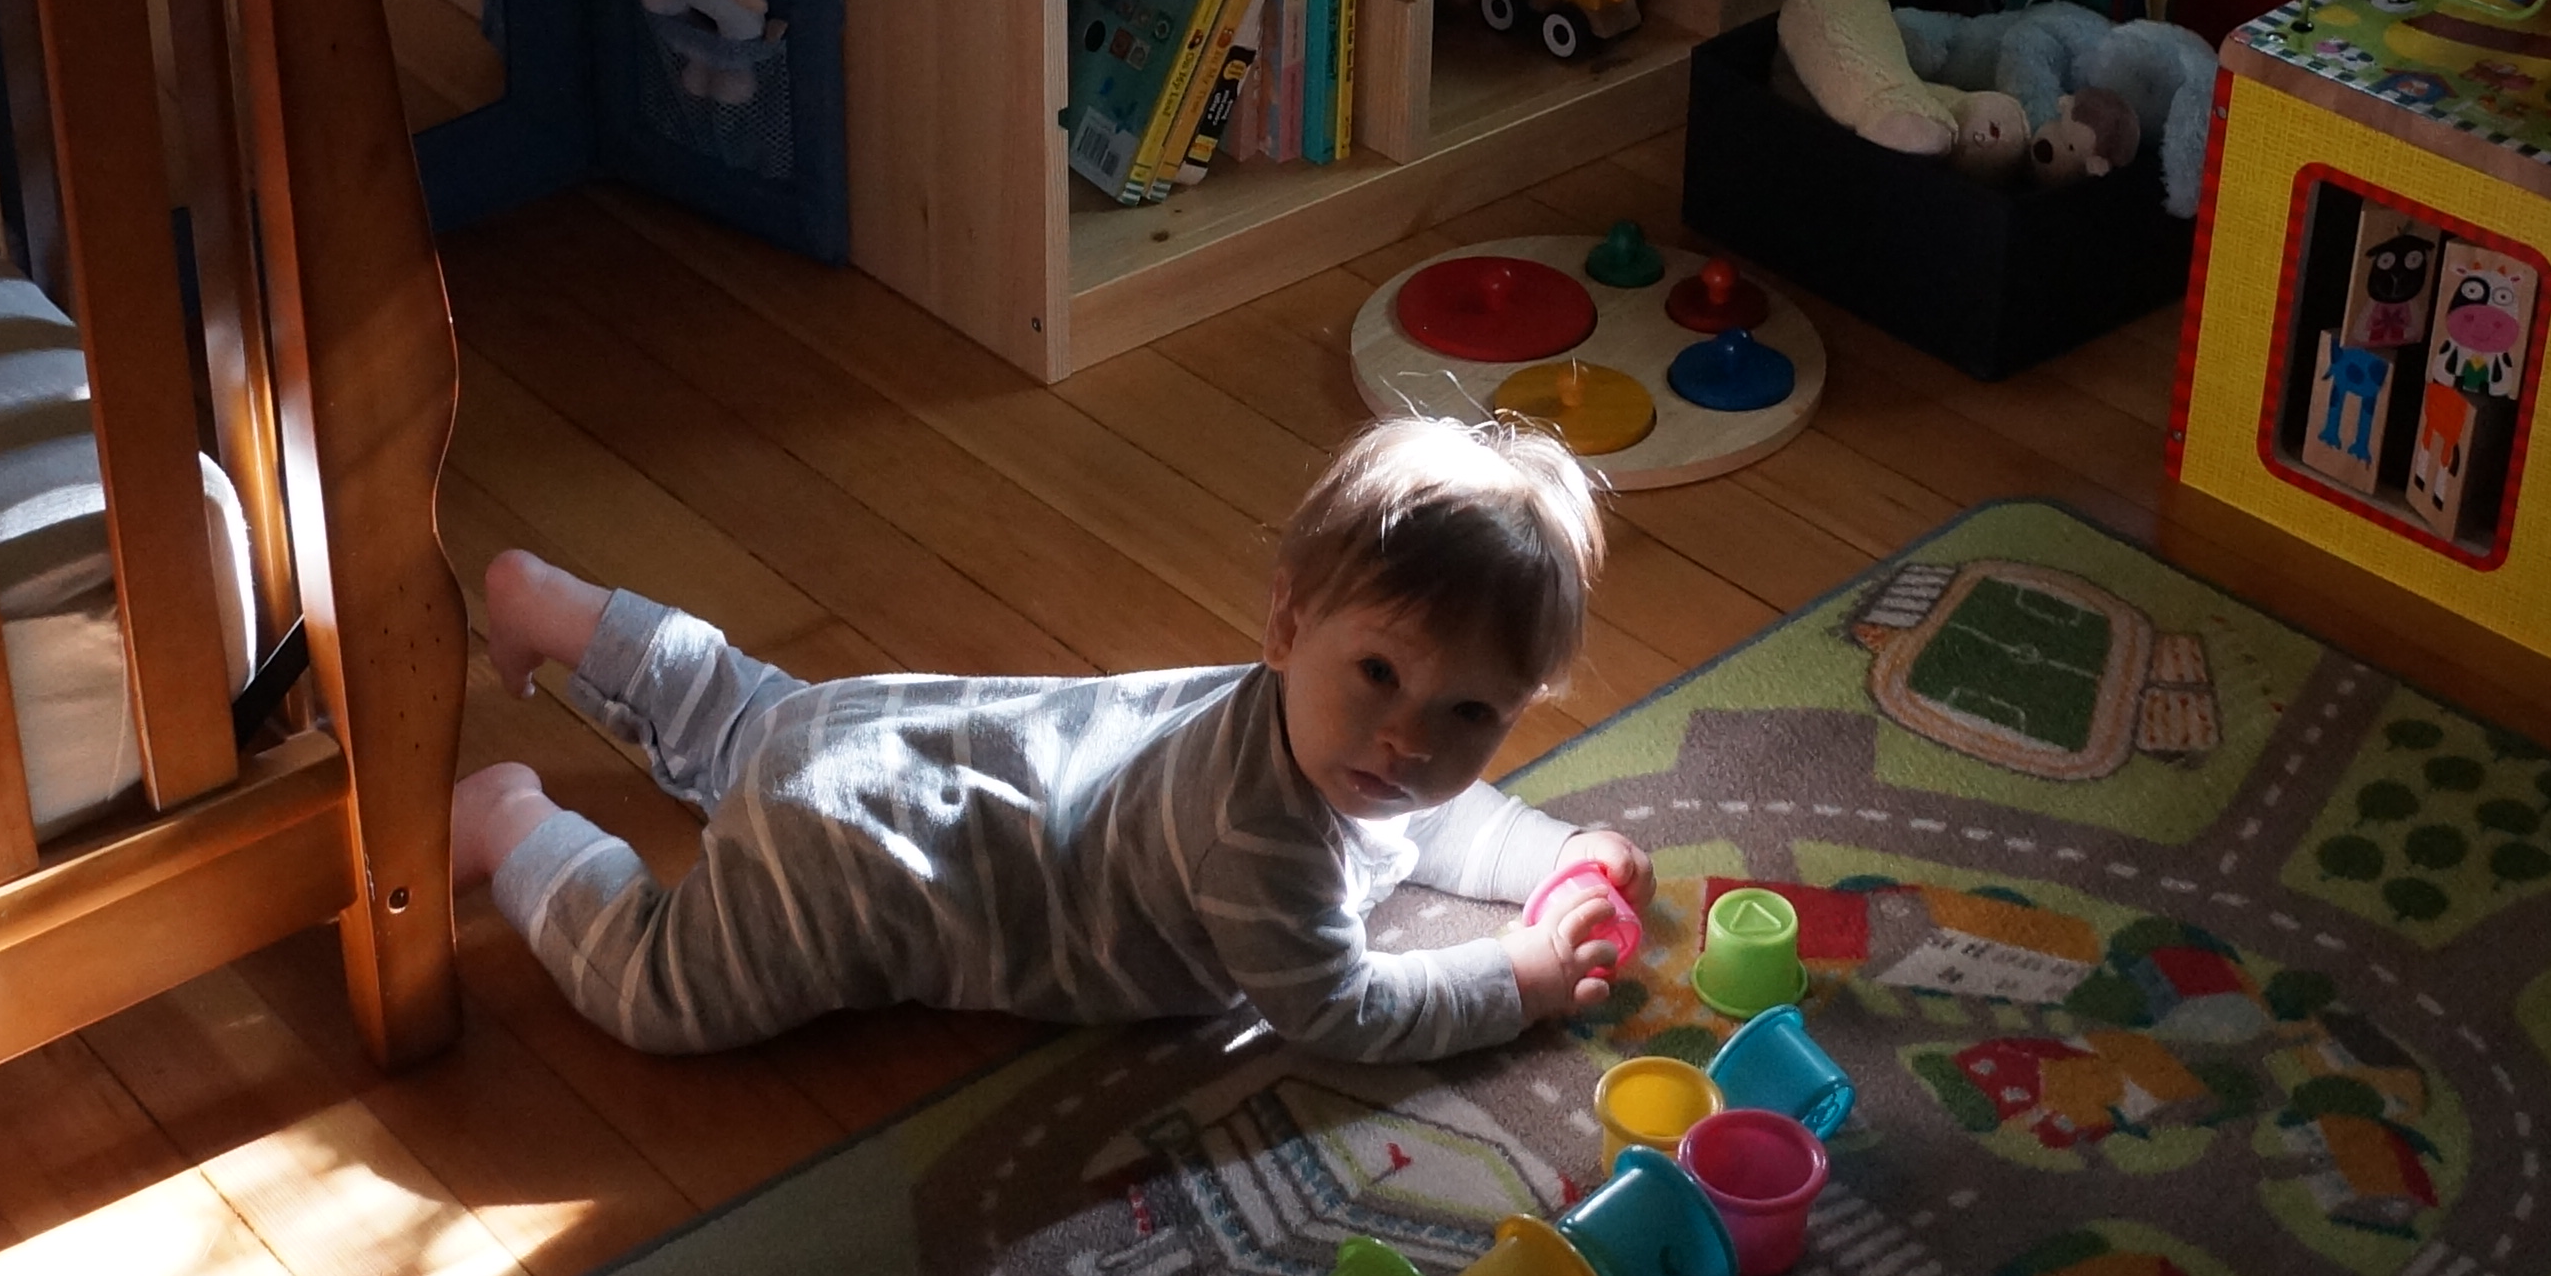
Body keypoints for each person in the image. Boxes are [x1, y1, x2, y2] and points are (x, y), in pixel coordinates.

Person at [448, 414, 1650, 1062]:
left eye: (1469, 714)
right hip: (873, 876)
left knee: (749, 718)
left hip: (890, 731)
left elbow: (1431, 816)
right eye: (1381, 676)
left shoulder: (1312, 722)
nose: (1407, 741)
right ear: (1288, 624)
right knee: (663, 989)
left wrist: (1547, 856)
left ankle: (560, 611)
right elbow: (1342, 1009)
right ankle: (513, 824)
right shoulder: (1259, 841)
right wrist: (1514, 979)